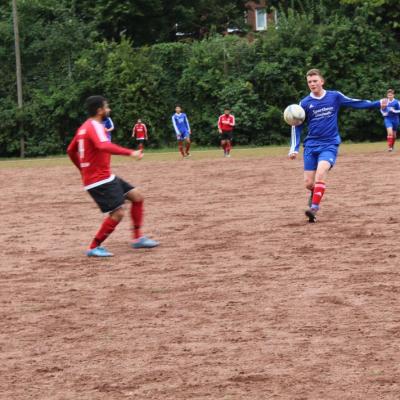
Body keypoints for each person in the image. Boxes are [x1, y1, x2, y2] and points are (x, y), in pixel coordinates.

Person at [288, 68, 385, 223]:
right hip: (311, 145)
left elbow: (356, 103)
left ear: (322, 81)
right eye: (309, 82)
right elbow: (296, 126)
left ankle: (314, 209)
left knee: (321, 173)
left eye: (315, 81)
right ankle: (314, 193)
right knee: (308, 183)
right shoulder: (305, 103)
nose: (312, 84)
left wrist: (377, 104)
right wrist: (294, 148)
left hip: (330, 144)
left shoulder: (335, 96)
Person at [67, 95, 159, 257]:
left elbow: (70, 150)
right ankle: (94, 246)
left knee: (137, 196)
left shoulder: (84, 127)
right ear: (99, 110)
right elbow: (103, 145)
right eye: (106, 107)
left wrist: (83, 170)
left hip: (104, 177)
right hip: (99, 180)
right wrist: (130, 152)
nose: (109, 109)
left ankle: (137, 239)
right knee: (117, 213)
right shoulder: (94, 126)